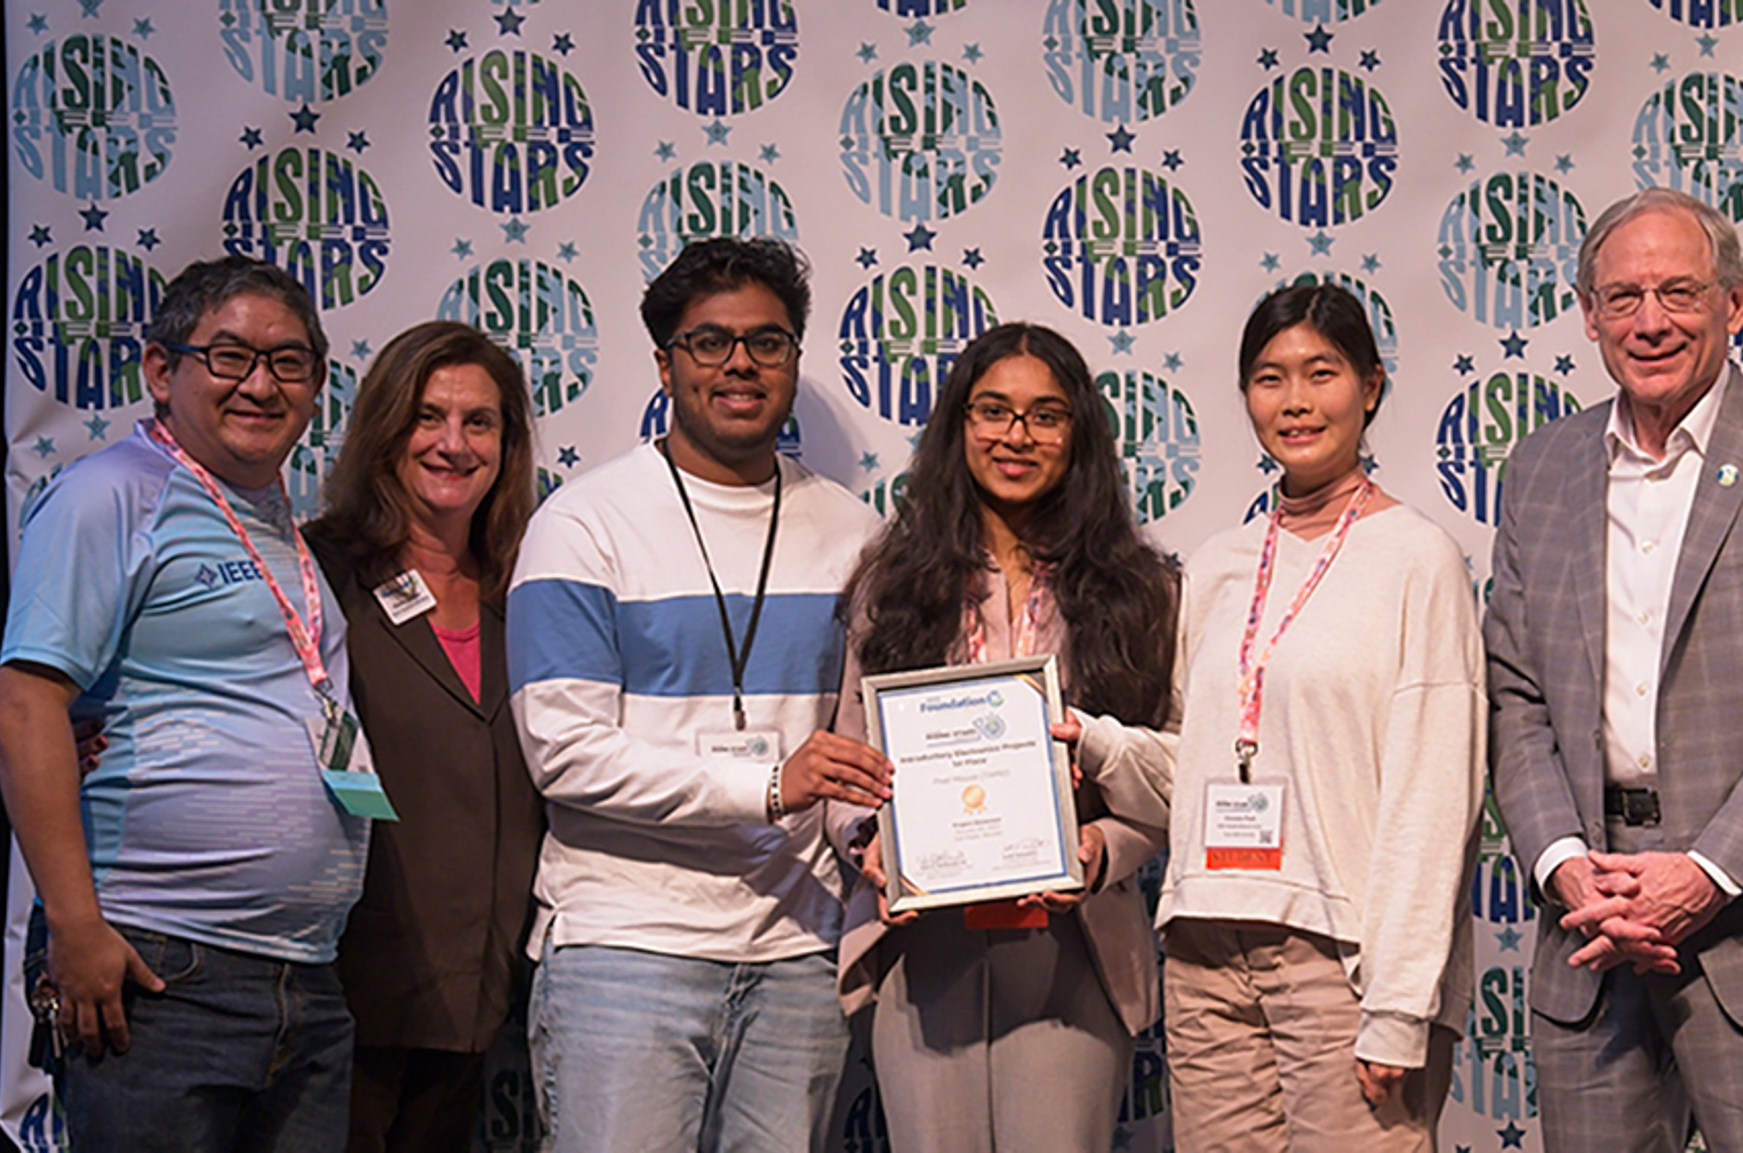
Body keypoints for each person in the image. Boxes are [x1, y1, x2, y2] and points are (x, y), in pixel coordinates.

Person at [1485, 187, 1743, 1152]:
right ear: (1588, 314)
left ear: (1735, 303)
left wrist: (1709, 871)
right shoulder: (1539, 469)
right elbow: (1512, 694)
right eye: (1623, 296)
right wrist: (1560, 864)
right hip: (1588, 922)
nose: (1650, 321)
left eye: (1679, 291)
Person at [506, 237, 891, 1152]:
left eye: (769, 342)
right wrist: (764, 786)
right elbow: (564, 753)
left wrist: (883, 833)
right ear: (665, 362)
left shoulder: (855, 533)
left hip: (798, 951)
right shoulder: (581, 523)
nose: (741, 365)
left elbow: (862, 742)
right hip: (624, 947)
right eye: (710, 342)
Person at [1085, 282, 1483, 1151]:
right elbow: (1194, 768)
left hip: (1339, 964)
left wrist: (1399, 1005)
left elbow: (1434, 797)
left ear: (1370, 386)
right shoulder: (1221, 563)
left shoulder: (1420, 558)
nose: (1295, 401)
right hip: (1203, 952)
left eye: (1321, 373)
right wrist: (1096, 740)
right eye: (1269, 378)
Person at [0, 256, 370, 1148]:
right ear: (163, 371)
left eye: (290, 362)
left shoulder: (279, 522)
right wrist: (78, 927)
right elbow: (22, 706)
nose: (261, 384)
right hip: (161, 966)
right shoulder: (109, 495)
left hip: (302, 976)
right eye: (230, 356)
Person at [829, 322, 1177, 1151]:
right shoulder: (893, 577)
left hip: (1073, 945)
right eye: (993, 410)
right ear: (958, 424)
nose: (1016, 435)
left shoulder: (1141, 588)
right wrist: (869, 843)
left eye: (1045, 415)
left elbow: (1173, 773)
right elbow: (845, 762)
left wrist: (1100, 848)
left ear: (1080, 434)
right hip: (925, 942)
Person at [304, 320, 545, 1152]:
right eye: (428, 416)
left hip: (480, 993)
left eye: (479, 421)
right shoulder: (319, 572)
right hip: (343, 990)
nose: (453, 442)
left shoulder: (536, 588)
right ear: (385, 429)